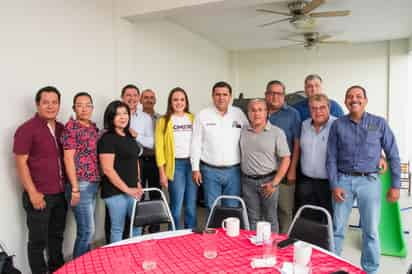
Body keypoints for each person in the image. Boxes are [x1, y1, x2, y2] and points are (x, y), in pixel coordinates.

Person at [326, 85, 401, 274]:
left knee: (371, 231)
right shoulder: (338, 125)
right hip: (343, 181)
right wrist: (334, 185)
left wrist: (396, 185)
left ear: (366, 101)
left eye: (359, 96)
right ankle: (335, 268)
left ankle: (370, 270)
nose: (354, 99)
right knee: (337, 228)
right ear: (345, 102)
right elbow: (331, 157)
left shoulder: (379, 123)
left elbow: (393, 154)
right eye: (350, 96)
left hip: (370, 182)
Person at [13, 86, 67, 274]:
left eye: (54, 102)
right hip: (39, 195)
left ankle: (57, 269)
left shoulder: (62, 129)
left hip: (61, 194)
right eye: (46, 102)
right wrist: (33, 192)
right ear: (37, 104)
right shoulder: (26, 129)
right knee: (38, 241)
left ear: (59, 105)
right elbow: (20, 163)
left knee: (57, 237)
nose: (50, 106)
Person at [191, 81, 249, 210]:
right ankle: (213, 231)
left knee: (232, 208)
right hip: (210, 171)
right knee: (213, 209)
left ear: (230, 97)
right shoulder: (202, 115)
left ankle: (230, 231)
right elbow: (196, 143)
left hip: (234, 171)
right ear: (212, 96)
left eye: (225, 94)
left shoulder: (239, 114)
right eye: (218, 94)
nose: (221, 98)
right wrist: (195, 168)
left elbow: (249, 136)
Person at [240, 99, 290, 232]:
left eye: (260, 110)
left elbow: (286, 158)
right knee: (252, 218)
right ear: (248, 113)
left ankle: (271, 249)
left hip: (269, 182)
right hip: (247, 182)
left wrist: (274, 183)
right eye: (253, 110)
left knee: (270, 219)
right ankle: (252, 249)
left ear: (267, 113)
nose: (256, 113)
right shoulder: (243, 131)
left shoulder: (276, 132)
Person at [98, 100, 143, 243]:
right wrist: (127, 190)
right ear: (111, 118)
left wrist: (138, 183)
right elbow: (107, 169)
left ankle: (135, 257)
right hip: (115, 192)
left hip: (133, 189)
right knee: (118, 229)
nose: (123, 117)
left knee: (137, 226)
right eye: (118, 114)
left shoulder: (129, 136)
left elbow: (135, 160)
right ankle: (117, 262)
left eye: (125, 113)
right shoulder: (107, 139)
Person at [61, 92, 100, 258]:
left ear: (92, 107)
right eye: (79, 105)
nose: (84, 108)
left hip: (93, 183)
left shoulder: (92, 127)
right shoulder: (71, 127)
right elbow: (68, 158)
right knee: (86, 231)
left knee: (88, 232)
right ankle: (77, 268)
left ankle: (86, 265)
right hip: (80, 185)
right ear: (74, 108)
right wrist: (75, 188)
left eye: (87, 105)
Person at [155, 87, 198, 229]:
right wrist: (162, 172)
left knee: (191, 206)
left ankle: (190, 236)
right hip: (175, 166)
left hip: (192, 165)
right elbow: (159, 149)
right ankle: (174, 236)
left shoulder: (192, 118)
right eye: (175, 99)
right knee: (176, 206)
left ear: (186, 101)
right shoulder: (163, 120)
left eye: (182, 99)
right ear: (170, 102)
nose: (179, 102)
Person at [265, 80, 300, 234]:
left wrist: (292, 169)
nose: (275, 96)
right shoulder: (258, 110)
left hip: (284, 170)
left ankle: (284, 240)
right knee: (266, 210)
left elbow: (297, 143)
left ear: (284, 96)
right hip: (263, 171)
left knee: (285, 209)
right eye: (271, 93)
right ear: (266, 95)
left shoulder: (293, 114)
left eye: (279, 93)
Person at [297, 94, 336, 221]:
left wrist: (380, 155)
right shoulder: (304, 125)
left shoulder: (338, 125)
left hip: (329, 183)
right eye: (314, 108)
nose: (318, 111)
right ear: (309, 110)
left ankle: (326, 241)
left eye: (322, 107)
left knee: (328, 220)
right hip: (306, 181)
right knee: (307, 218)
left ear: (329, 108)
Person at [140, 89, 162, 233]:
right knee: (139, 195)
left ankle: (155, 230)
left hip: (156, 161)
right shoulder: (135, 117)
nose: (149, 100)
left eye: (151, 98)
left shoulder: (161, 119)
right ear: (141, 100)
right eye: (146, 97)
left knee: (156, 195)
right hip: (139, 161)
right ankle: (139, 230)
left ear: (155, 100)